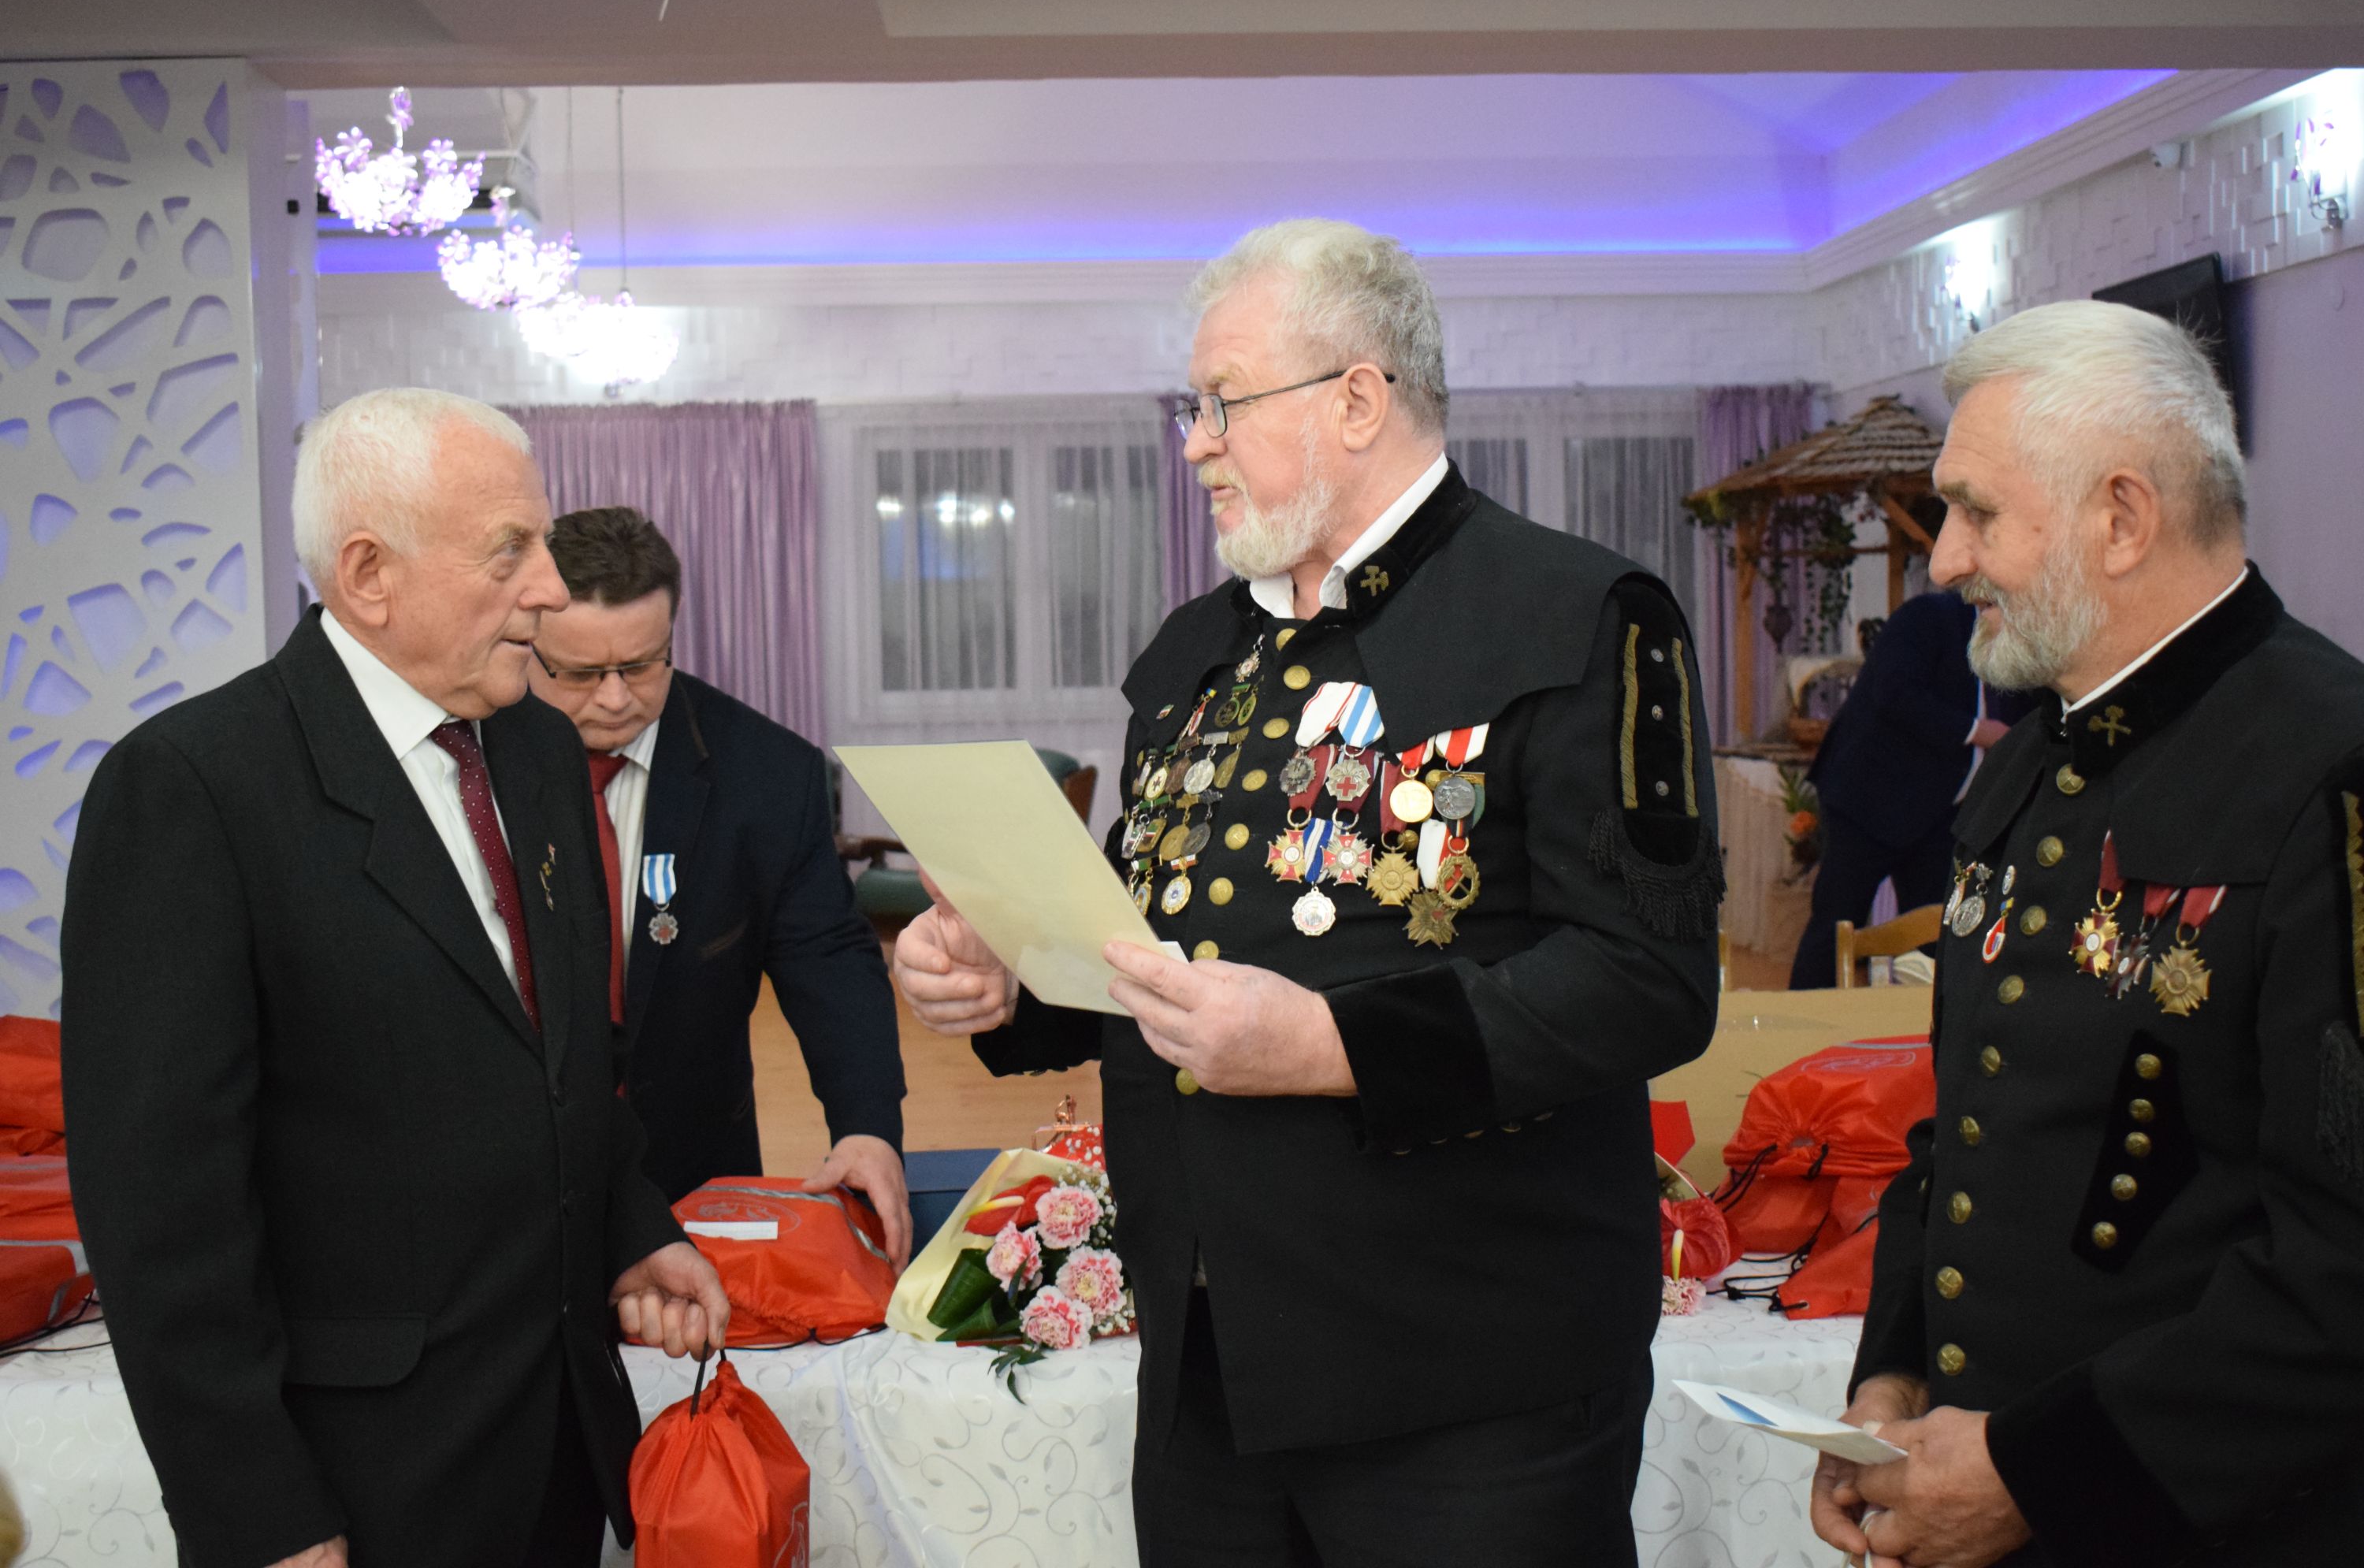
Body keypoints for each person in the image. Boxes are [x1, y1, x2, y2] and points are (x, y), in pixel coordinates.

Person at [893, 219, 1723, 1566]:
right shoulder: (1195, 653)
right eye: (1192, 408)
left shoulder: (1576, 614)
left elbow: (1649, 980)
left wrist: (1336, 1046)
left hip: (1470, 1373)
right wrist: (1013, 978)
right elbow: (1160, 939)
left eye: (1222, 403)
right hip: (1213, 1359)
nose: (1195, 445)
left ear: (1357, 401)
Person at [61, 389, 729, 1568]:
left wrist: (631, 1225)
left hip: (559, 1443)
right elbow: (161, 1216)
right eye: (510, 551)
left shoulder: (534, 743)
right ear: (370, 575)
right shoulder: (193, 790)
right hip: (359, 1481)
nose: (550, 588)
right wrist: (260, 1516)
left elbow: (563, 1060)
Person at [1808, 301, 2364, 1567]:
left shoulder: (2330, 769)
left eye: (1977, 513)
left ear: (2122, 518)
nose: (1945, 562)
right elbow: (1966, 1132)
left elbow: (2344, 1258)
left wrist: (2039, 1478)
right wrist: (1892, 1379)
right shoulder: (2025, 770)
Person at [529, 506, 912, 1261]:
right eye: (581, 674)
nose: (615, 698)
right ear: (526, 644)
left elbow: (829, 959)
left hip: (692, 1176)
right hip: (515, 1189)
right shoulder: (472, 762)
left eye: (642, 665)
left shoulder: (767, 775)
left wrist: (866, 1126)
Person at [1789, 589, 2031, 990]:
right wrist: (1977, 731)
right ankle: (1805, 1017)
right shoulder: (1928, 616)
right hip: (1869, 798)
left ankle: (1925, 1021)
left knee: (1937, 928)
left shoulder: (2022, 646)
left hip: (1940, 812)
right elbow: (1895, 692)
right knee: (1837, 922)